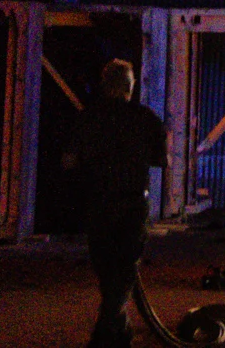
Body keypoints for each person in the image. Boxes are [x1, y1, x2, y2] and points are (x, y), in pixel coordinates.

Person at [63, 58, 168, 348]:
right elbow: (162, 160)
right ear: (130, 87)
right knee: (125, 269)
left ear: (103, 84)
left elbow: (69, 161)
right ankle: (111, 329)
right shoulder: (146, 119)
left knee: (108, 269)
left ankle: (115, 331)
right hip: (133, 203)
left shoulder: (87, 119)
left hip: (99, 203)